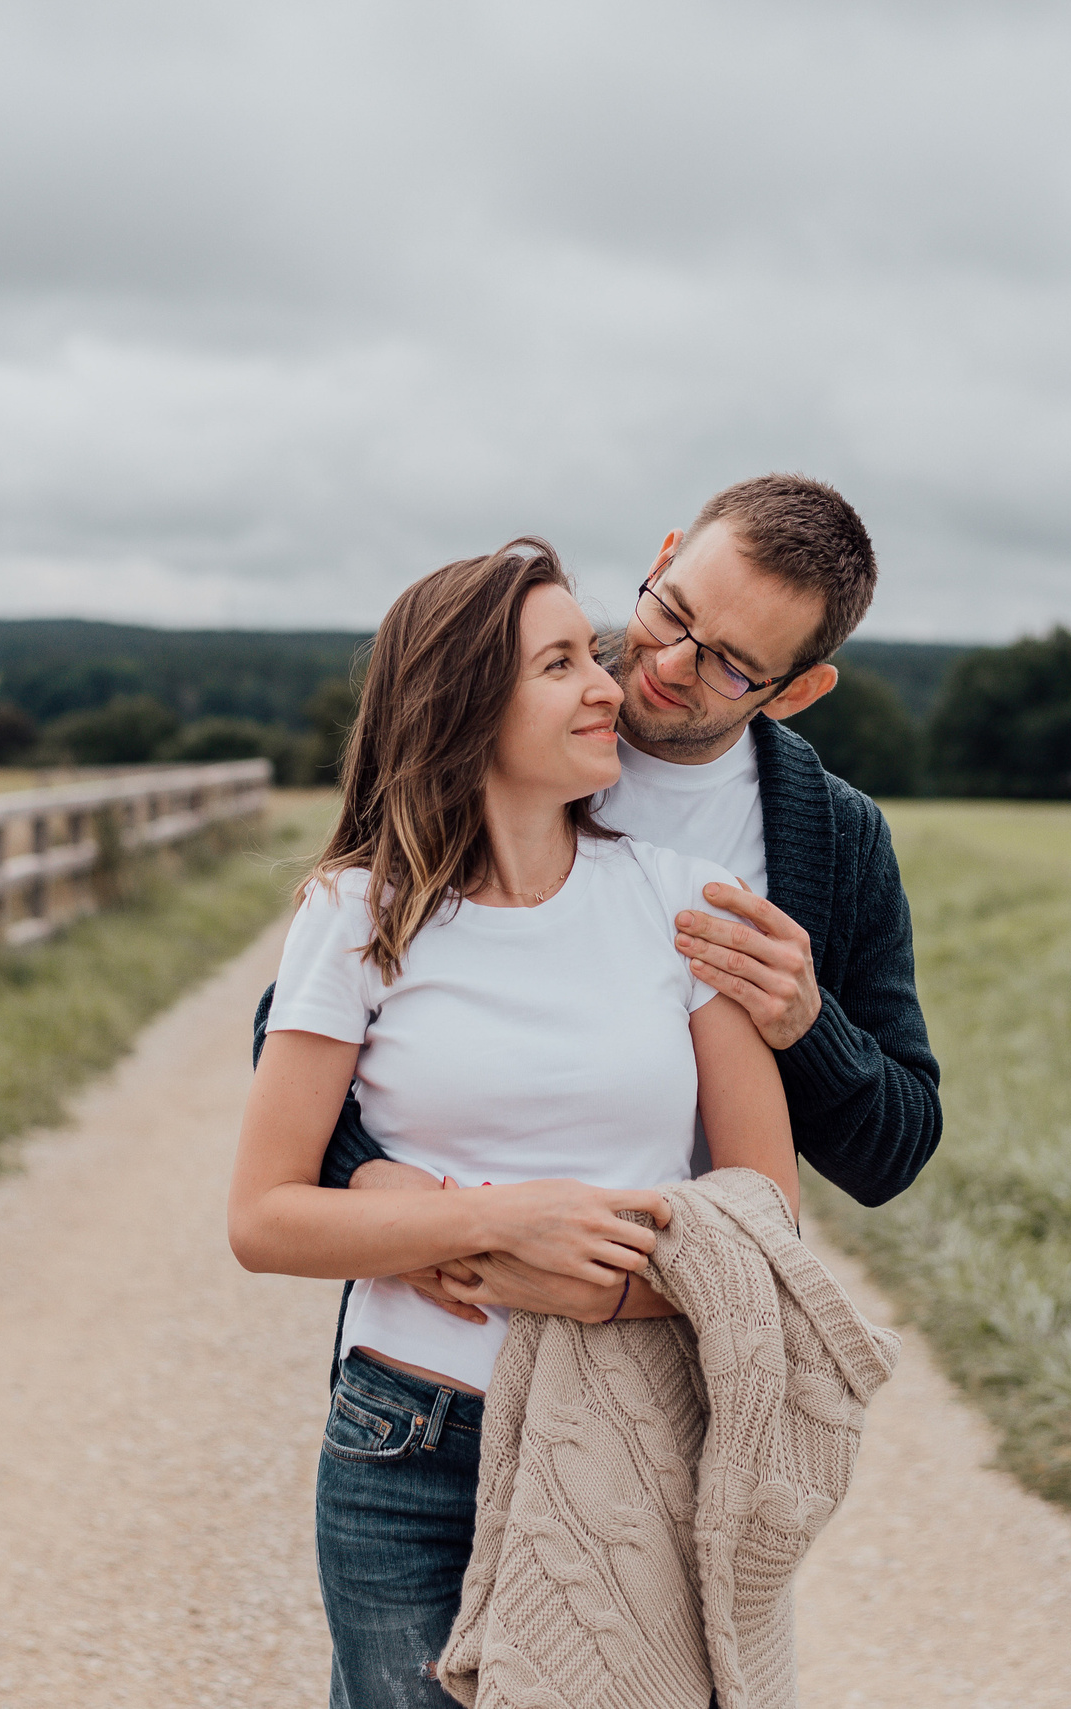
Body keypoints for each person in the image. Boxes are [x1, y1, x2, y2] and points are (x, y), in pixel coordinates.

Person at [228, 539, 800, 1709]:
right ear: (461, 704)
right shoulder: (355, 911)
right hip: (408, 1442)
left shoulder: (684, 901)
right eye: (558, 664)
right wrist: (494, 1220)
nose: (608, 684)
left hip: (630, 1428)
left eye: (590, 651)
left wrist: (596, 1282)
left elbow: (766, 1221)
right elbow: (264, 1216)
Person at [257, 473, 941, 1330]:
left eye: (731, 664)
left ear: (796, 691)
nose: (666, 665)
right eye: (672, 611)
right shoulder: (514, 725)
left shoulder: (836, 838)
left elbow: (895, 1149)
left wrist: (807, 1024)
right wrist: (389, 1190)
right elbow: (313, 1005)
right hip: (436, 1346)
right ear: (663, 558)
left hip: (662, 1333)